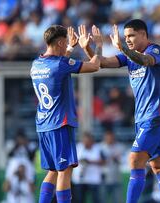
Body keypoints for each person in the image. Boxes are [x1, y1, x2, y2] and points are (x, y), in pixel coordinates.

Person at [78, 19, 160, 203]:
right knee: (159, 166)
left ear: (143, 34)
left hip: (155, 116)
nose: (128, 39)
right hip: (142, 119)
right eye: (125, 37)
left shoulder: (155, 50)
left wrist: (122, 48)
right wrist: (92, 47)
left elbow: (146, 61)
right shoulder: (128, 56)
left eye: (131, 35)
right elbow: (101, 63)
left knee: (134, 160)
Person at [31, 25, 101, 203]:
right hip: (60, 123)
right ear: (61, 42)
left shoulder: (36, 64)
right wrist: (96, 46)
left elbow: (58, 68)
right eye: (65, 43)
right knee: (65, 170)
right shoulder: (61, 64)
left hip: (43, 123)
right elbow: (94, 66)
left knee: (53, 171)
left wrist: (70, 48)